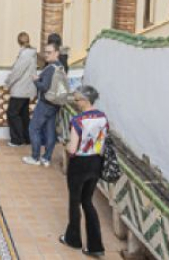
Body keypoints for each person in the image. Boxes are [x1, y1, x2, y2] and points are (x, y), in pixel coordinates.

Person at [60, 86, 108, 257]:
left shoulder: (78, 120)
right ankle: (96, 246)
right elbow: (102, 141)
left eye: (78, 99)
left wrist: (66, 146)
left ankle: (73, 239)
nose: (76, 102)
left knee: (74, 201)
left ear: (86, 100)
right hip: (96, 163)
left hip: (79, 164)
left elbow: (72, 149)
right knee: (87, 201)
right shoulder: (103, 117)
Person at [25, 41, 71, 166]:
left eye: (49, 52)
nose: (46, 55)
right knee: (50, 130)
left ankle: (35, 157)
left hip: (45, 103)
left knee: (33, 128)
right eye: (45, 52)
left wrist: (35, 80)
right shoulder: (60, 66)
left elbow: (44, 87)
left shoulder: (51, 68)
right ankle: (47, 158)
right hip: (55, 103)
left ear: (56, 53)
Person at [5, 32, 37, 147]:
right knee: (23, 114)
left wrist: (8, 82)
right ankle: (27, 138)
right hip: (27, 89)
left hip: (20, 89)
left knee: (12, 113)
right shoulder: (32, 53)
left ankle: (17, 139)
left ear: (19, 42)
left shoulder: (25, 55)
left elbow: (17, 72)